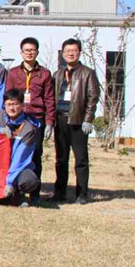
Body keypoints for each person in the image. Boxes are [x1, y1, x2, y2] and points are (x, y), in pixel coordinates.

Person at [51, 38, 100, 205]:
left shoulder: (88, 73)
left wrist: (88, 119)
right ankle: (59, 193)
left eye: (74, 51)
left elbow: (93, 97)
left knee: (81, 159)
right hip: (60, 120)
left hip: (78, 121)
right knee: (61, 159)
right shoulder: (58, 74)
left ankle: (82, 194)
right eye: (67, 51)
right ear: (62, 53)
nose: (70, 53)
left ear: (79, 52)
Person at [6, 37, 55, 204]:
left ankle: (34, 193)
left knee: (35, 156)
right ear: (21, 53)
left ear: (37, 52)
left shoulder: (45, 74)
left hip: (36, 119)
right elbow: (8, 97)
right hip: (18, 119)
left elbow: (49, 99)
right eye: (26, 50)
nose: (29, 53)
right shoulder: (13, 73)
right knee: (16, 155)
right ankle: (17, 192)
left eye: (32, 50)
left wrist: (49, 122)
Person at [0, 89, 41, 207]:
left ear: (22, 105)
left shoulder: (29, 128)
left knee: (29, 180)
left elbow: (20, 159)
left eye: (15, 104)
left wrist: (9, 182)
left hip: (17, 167)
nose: (11, 108)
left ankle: (17, 193)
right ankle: (2, 196)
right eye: (8, 104)